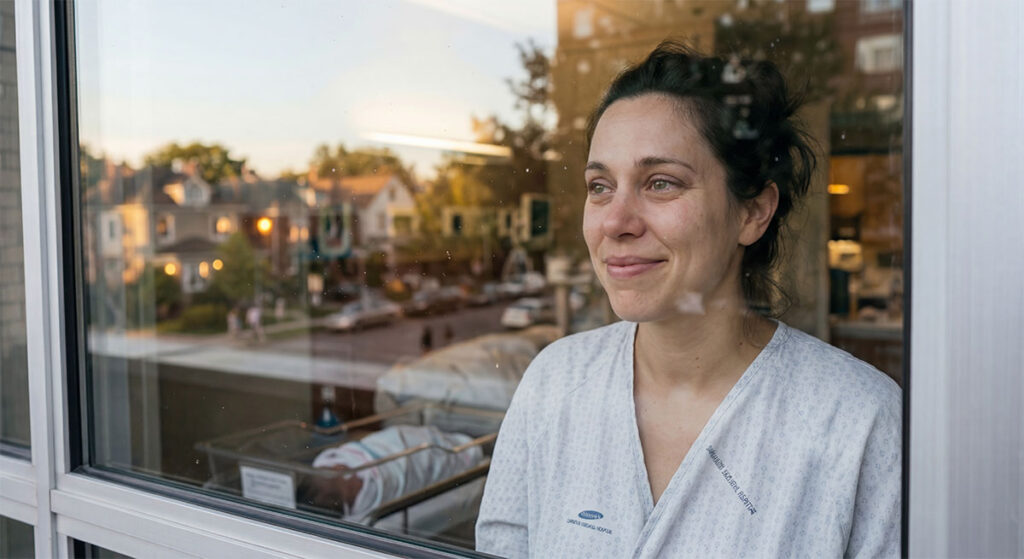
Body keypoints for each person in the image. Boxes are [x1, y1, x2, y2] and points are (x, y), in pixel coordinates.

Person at [476, 41, 901, 558]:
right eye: (600, 186)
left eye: (661, 183)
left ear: (752, 212)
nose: (615, 221)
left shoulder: (857, 422)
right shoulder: (555, 384)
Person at [304, 424, 482, 521]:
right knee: (435, 453)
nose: (337, 467)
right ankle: (467, 451)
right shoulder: (373, 492)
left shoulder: (328, 461)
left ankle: (464, 447)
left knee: (419, 439)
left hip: (388, 444)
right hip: (406, 463)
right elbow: (406, 469)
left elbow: (337, 460)